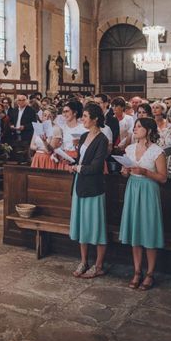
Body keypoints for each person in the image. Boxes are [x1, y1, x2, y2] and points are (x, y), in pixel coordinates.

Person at [119, 118, 167, 290]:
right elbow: (126, 173)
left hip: (148, 190)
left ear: (148, 130)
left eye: (139, 127)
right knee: (135, 230)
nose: (135, 129)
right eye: (135, 126)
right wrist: (125, 171)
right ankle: (137, 271)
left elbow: (163, 177)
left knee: (149, 230)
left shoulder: (157, 151)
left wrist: (145, 172)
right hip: (133, 188)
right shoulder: (129, 148)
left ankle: (150, 273)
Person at [68, 103, 110, 279]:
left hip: (93, 185)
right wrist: (73, 165)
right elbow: (81, 159)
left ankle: (99, 265)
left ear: (95, 119)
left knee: (96, 226)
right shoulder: (84, 135)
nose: (82, 119)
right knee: (82, 225)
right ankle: (84, 261)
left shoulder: (102, 139)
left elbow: (96, 166)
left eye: (85, 116)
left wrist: (78, 168)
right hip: (80, 183)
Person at [30, 105, 62, 169]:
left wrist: (44, 142)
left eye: (49, 116)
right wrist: (41, 148)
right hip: (37, 157)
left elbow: (48, 151)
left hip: (48, 159)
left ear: (54, 117)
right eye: (44, 115)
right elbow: (31, 146)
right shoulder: (39, 127)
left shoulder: (56, 129)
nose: (46, 118)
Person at [56, 101, 86, 170]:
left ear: (75, 113)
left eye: (67, 111)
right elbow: (61, 145)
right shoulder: (62, 128)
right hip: (64, 158)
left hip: (78, 158)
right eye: (63, 112)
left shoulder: (83, 128)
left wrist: (79, 143)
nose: (64, 114)